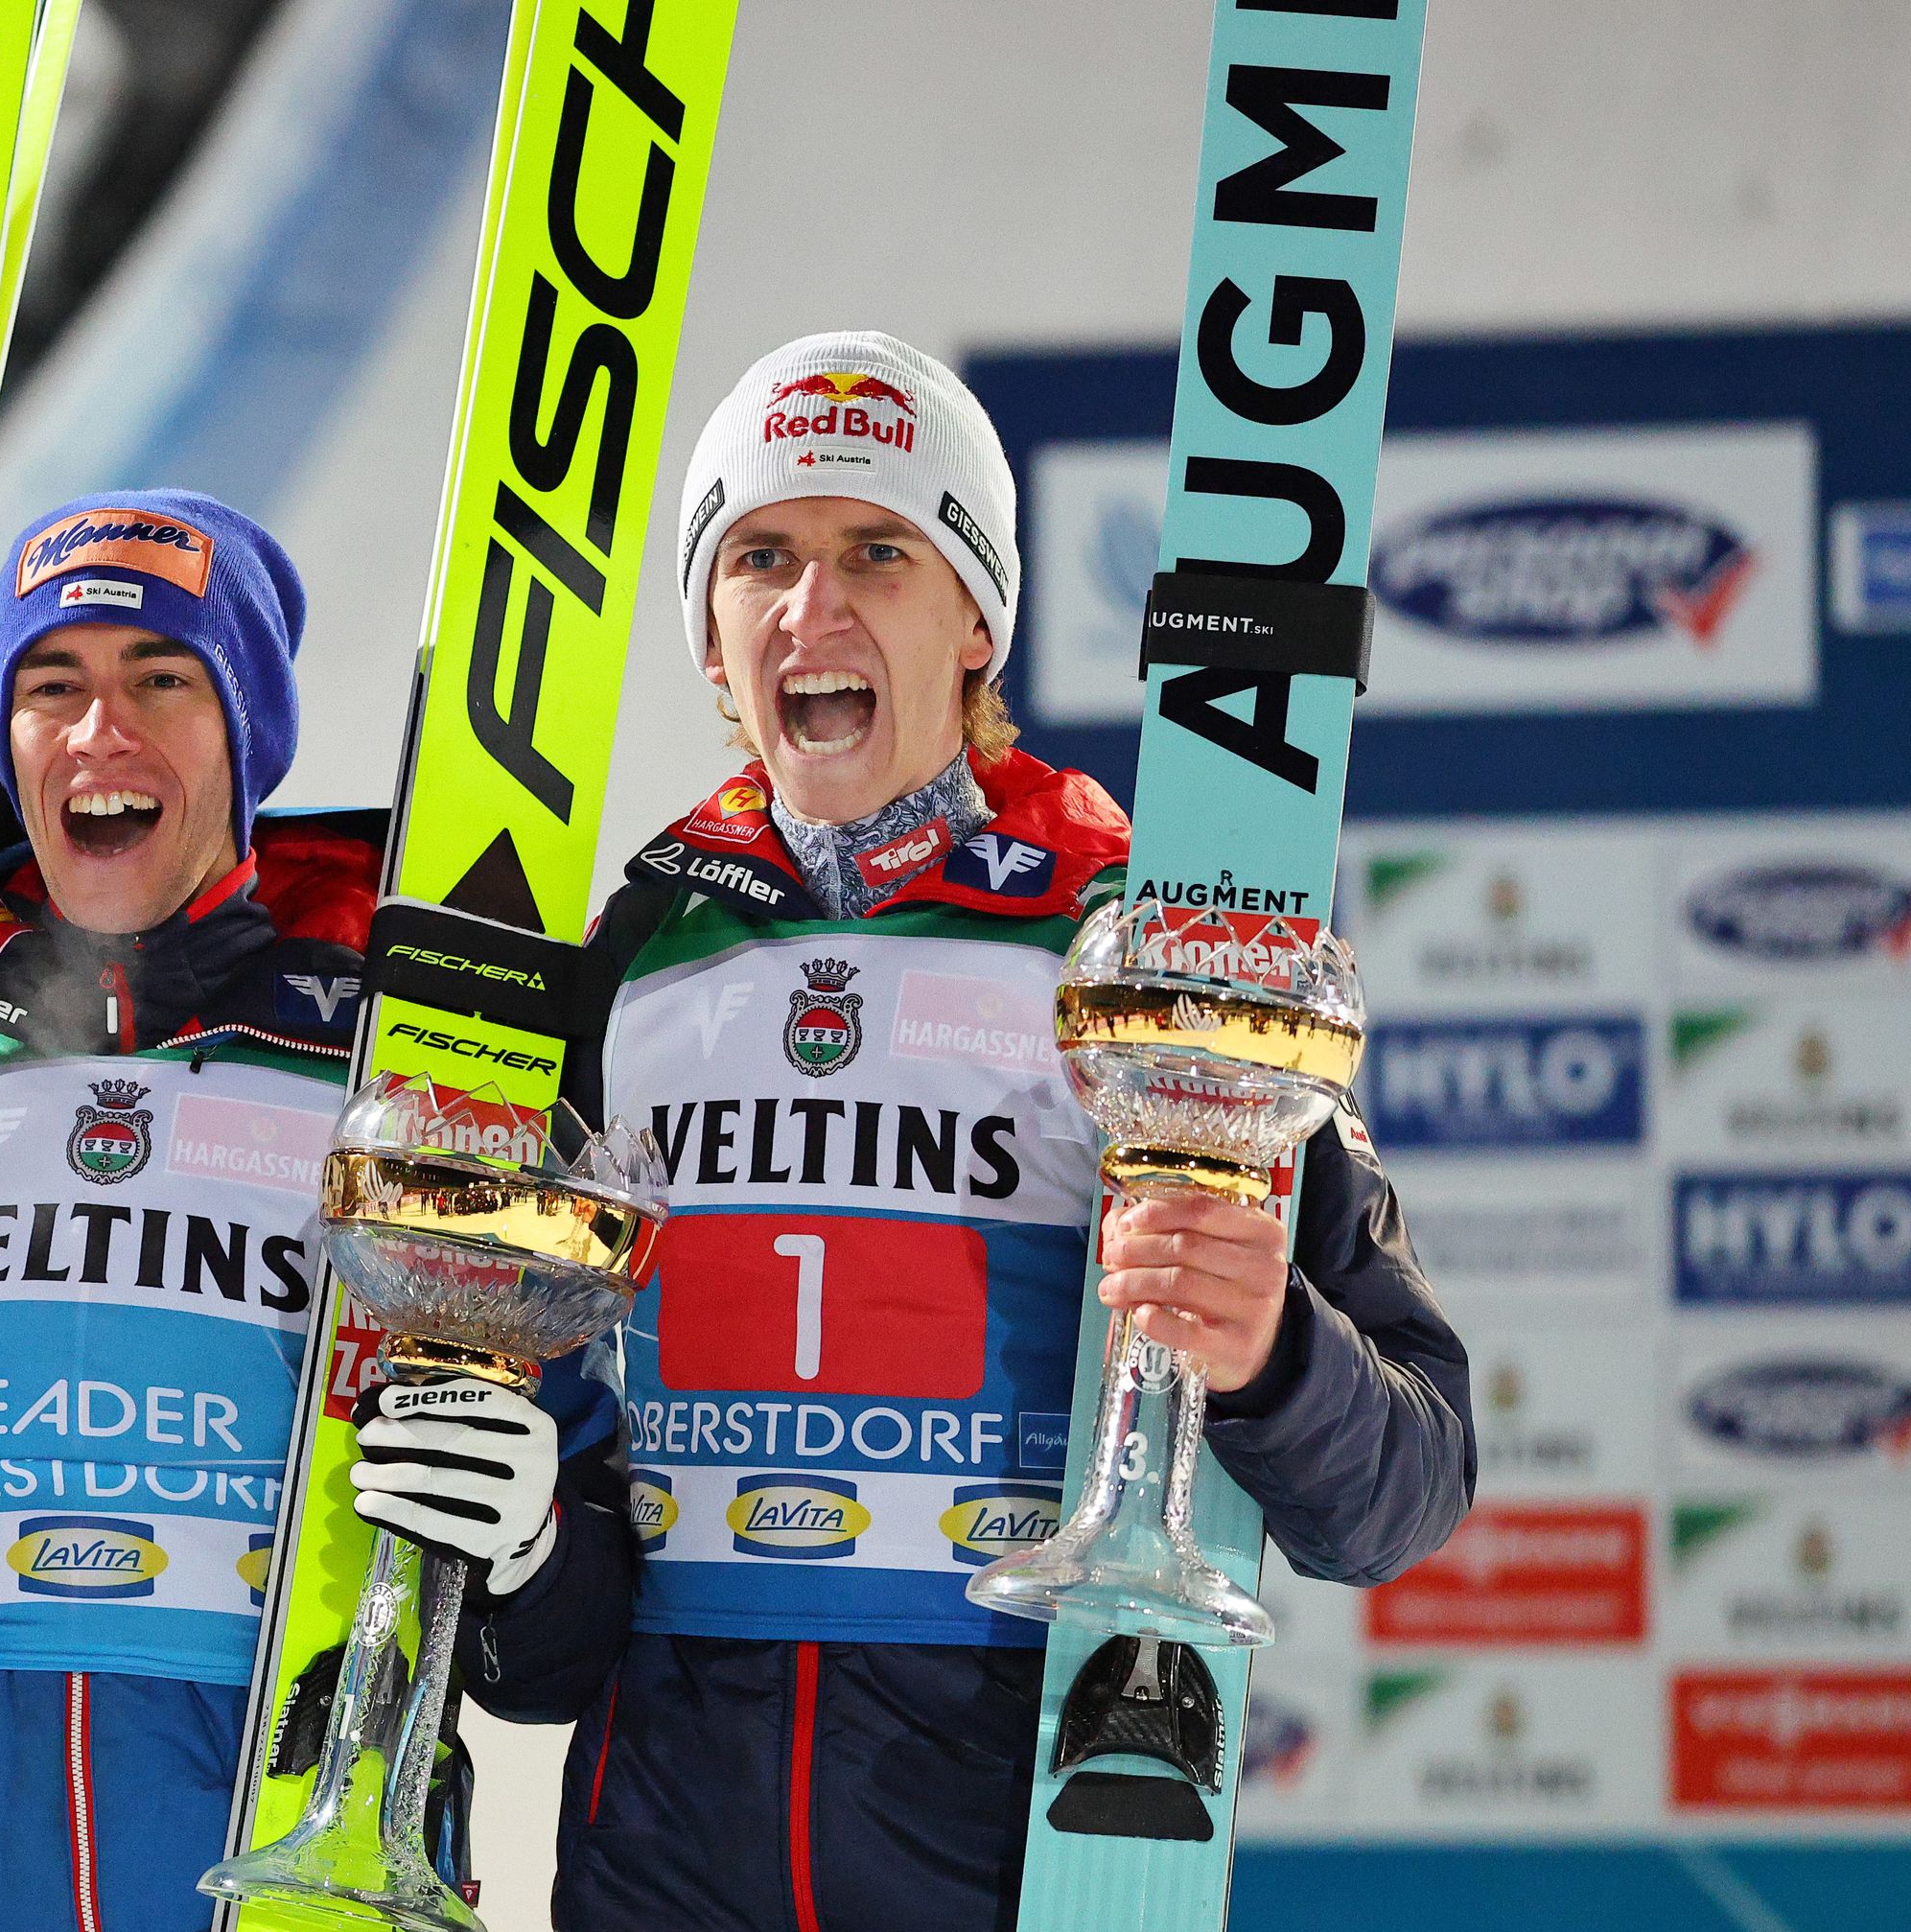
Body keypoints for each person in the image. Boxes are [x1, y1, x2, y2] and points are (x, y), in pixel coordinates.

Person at [353, 334, 1477, 1932]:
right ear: (711, 638)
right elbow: (553, 1660)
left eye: (881, 550)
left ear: (977, 622)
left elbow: (1408, 1485)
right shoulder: (630, 969)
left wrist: (1277, 1352)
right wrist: (528, 1541)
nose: (816, 608)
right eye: (762, 559)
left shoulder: (1135, 951)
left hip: (1021, 1851)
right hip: (666, 1867)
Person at [0, 492, 437, 1931]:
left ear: (248, 731)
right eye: (52, 684)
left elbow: (559, 1632)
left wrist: (528, 1534)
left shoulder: (389, 1035)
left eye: (162, 678)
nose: (101, 730)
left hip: (283, 1785)